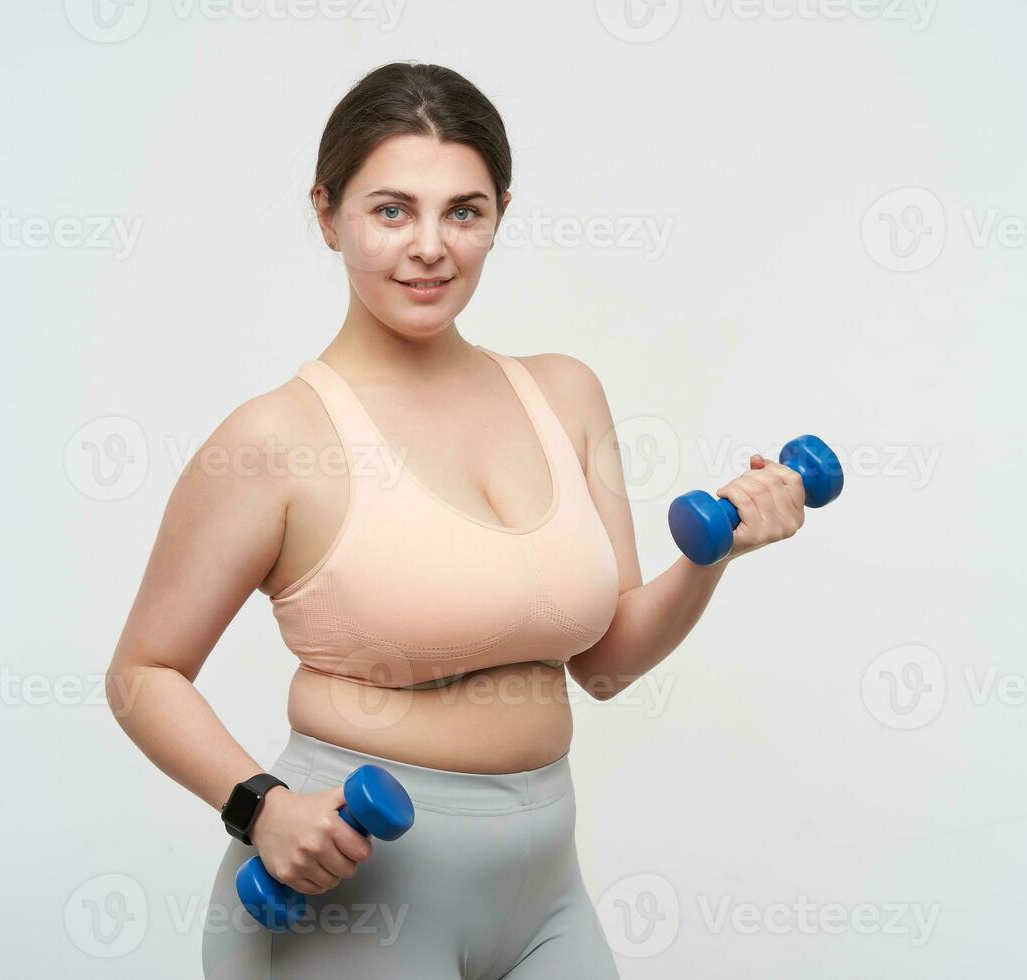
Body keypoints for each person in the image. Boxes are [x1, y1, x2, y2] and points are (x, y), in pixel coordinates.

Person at [104, 61, 806, 979]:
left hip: (545, 884)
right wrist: (263, 807)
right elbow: (143, 673)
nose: (430, 245)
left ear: (498, 216)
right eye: (391, 210)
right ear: (328, 215)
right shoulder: (277, 437)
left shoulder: (564, 393)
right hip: (353, 896)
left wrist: (718, 551)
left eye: (463, 212)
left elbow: (604, 663)